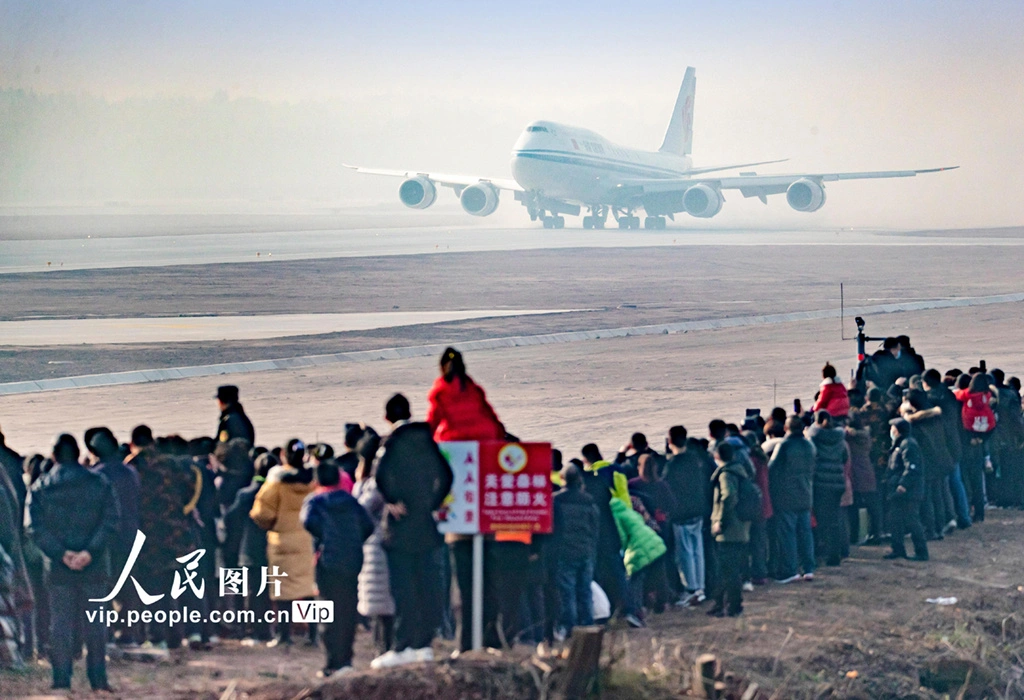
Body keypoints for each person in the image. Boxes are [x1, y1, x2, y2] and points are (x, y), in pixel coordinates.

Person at [28, 434, 118, 691]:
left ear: (55, 456)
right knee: (97, 624)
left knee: (61, 624)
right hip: (95, 563)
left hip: (58, 566)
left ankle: (61, 680)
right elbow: (111, 519)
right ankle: (98, 680)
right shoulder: (99, 482)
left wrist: (61, 553)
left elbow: (34, 527)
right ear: (79, 455)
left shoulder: (41, 486)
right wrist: (90, 551)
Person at [371, 393, 454, 668]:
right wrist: (432, 503)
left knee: (403, 589)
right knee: (427, 586)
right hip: (426, 526)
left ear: (387, 417)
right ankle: (424, 644)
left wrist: (393, 500)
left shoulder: (391, 443)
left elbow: (379, 474)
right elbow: (447, 475)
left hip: (401, 528)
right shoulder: (427, 440)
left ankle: (402, 644)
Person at [301, 459, 374, 678]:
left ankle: (331, 662)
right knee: (348, 609)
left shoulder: (315, 501)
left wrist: (323, 537)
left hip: (327, 562)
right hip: (352, 561)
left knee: (327, 611)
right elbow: (368, 526)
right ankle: (347, 660)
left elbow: (307, 521)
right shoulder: (351, 501)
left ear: (316, 480)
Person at [250, 439, 317, 647]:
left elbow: (261, 512)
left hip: (282, 540)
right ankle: (314, 635)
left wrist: (271, 525)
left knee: (283, 590)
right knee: (308, 588)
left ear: (284, 456)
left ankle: (283, 635)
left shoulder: (276, 481)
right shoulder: (312, 479)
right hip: (307, 539)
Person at [85, 427, 140, 645]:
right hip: (130, 536)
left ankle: (106, 635)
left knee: (104, 588)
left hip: (104, 539)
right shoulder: (130, 472)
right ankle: (129, 634)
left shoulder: (96, 476)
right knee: (128, 587)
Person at [351, 429, 396, 657]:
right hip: (376, 549)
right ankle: (383, 649)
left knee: (382, 606)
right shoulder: (378, 482)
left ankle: (385, 651)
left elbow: (361, 510)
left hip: (376, 549)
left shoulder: (373, 485)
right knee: (382, 606)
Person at [223, 452, 275, 643]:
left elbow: (230, 518)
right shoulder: (277, 493)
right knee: (268, 591)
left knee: (251, 592)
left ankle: (251, 630)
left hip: (249, 548)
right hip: (273, 548)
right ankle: (269, 630)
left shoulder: (245, 494)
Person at [608, 479, 666, 628]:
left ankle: (635, 613)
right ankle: (659, 602)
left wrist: (622, 549)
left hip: (639, 547)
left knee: (634, 581)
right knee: (649, 577)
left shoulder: (614, 512)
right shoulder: (626, 506)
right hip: (653, 541)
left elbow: (621, 536)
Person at [662, 426, 710, 605]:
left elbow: (665, 488)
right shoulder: (694, 460)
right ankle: (700, 587)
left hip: (681, 514)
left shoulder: (672, 465)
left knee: (685, 553)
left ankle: (691, 589)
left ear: (670, 441)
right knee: (698, 550)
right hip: (698, 510)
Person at [551, 464, 599, 636]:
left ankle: (570, 626)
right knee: (585, 589)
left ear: (562, 479)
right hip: (586, 550)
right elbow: (595, 527)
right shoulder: (588, 500)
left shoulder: (555, 500)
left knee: (567, 591)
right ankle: (587, 623)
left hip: (565, 551)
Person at [900, 389, 954, 540]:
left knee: (927, 498)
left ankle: (930, 530)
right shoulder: (936, 417)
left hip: (927, 463)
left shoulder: (914, 423)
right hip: (942, 459)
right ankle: (939, 528)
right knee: (939, 495)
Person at [768, 416, 817, 583]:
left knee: (788, 534)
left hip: (786, 496)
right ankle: (809, 569)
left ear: (786, 429)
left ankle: (790, 570)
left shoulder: (784, 445)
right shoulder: (809, 445)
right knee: (806, 533)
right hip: (806, 494)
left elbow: (771, 468)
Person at [922, 369, 971, 529]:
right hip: (955, 442)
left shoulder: (931, 398)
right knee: (956, 481)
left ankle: (949, 518)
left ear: (926, 382)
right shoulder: (949, 395)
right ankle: (963, 517)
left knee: (943, 484)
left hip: (942, 445)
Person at [426, 347, 505, 442]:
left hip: (455, 440)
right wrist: (501, 433)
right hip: (485, 437)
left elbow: (433, 422)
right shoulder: (475, 390)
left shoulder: (441, 393)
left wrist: (424, 441)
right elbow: (490, 415)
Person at [708, 442, 750, 617]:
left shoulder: (726, 475)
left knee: (728, 570)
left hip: (729, 530)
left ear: (717, 456)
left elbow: (728, 497)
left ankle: (733, 606)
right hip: (740, 526)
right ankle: (721, 604)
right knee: (729, 568)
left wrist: (720, 521)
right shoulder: (740, 470)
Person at [807, 410, 849, 567]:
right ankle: (834, 555)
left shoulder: (814, 438)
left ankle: (820, 553)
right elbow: (845, 458)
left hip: (820, 483)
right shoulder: (840, 439)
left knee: (820, 520)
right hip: (837, 483)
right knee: (834, 520)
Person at [884, 419, 928, 561]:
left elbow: (912, 468)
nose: (891, 430)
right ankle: (898, 549)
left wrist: (903, 484)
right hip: (898, 489)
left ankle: (921, 552)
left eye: (893, 428)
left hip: (909, 491)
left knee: (912, 520)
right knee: (895, 519)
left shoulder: (908, 445)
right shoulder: (899, 444)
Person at [844, 413, 882, 545]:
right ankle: (875, 533)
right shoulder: (864, 435)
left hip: (857, 472)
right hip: (865, 471)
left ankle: (856, 536)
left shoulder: (855, 436)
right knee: (872, 505)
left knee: (855, 507)